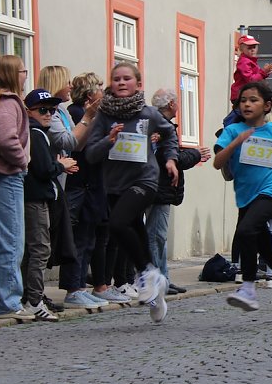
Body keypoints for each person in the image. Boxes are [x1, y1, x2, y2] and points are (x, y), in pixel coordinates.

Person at [86, 62, 180, 324]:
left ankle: (146, 275)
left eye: (127, 78)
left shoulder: (148, 113)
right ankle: (155, 289)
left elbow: (169, 133)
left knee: (117, 223)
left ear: (138, 84)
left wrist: (170, 159)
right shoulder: (103, 116)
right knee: (134, 229)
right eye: (116, 79)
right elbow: (91, 154)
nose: (121, 82)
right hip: (115, 184)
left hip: (145, 180)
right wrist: (109, 140)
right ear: (111, 85)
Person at [214, 81, 272, 311]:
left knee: (246, 231)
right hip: (245, 195)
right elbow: (217, 162)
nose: (247, 104)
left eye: (253, 100)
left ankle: (248, 287)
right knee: (263, 244)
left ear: (267, 105)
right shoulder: (232, 131)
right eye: (243, 100)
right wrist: (237, 142)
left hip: (271, 191)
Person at [38, 65, 104, 309]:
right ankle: (69, 287)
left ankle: (78, 286)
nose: (69, 86)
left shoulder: (63, 111)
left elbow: (74, 145)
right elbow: (69, 141)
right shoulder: (59, 112)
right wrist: (88, 119)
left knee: (85, 238)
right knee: (64, 239)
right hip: (71, 181)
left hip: (72, 179)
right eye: (66, 81)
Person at [0, 54, 34, 321]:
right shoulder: (8, 104)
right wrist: (22, 162)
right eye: (23, 70)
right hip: (5, 176)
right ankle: (7, 303)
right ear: (14, 74)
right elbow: (6, 139)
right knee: (10, 241)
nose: (26, 74)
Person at [65, 73, 129, 304]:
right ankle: (76, 287)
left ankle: (88, 286)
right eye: (100, 88)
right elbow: (82, 148)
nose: (103, 92)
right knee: (82, 239)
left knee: (93, 238)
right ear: (91, 94)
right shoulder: (78, 114)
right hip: (82, 183)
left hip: (95, 183)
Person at [21, 89, 79, 321]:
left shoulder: (38, 133)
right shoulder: (35, 133)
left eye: (53, 110)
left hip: (38, 197)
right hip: (35, 199)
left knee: (34, 249)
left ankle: (31, 296)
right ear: (29, 111)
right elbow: (43, 170)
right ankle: (34, 299)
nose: (48, 114)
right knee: (39, 249)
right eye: (43, 110)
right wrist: (61, 165)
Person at [147, 89, 211, 295]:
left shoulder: (159, 126)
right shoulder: (162, 128)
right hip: (159, 187)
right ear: (172, 104)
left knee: (159, 236)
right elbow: (171, 160)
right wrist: (194, 154)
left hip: (159, 187)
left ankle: (163, 277)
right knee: (156, 235)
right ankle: (157, 279)